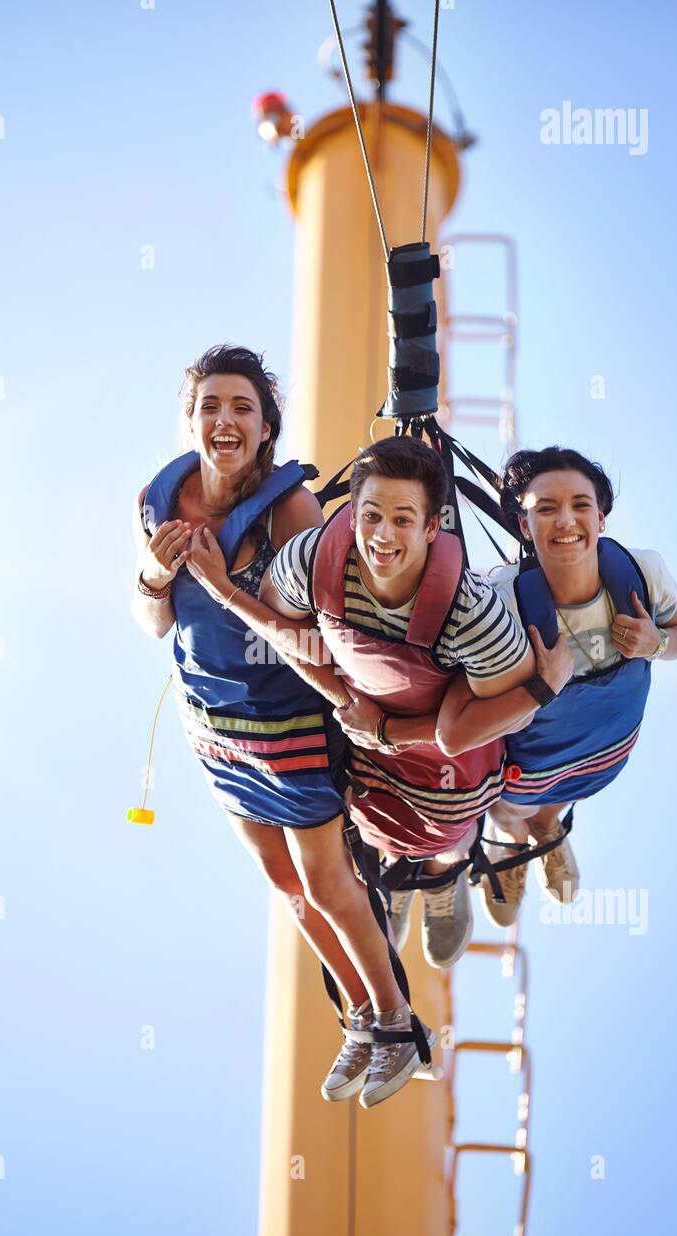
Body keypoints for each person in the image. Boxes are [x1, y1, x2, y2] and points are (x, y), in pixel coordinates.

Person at [131, 344, 440, 1108]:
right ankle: (362, 1020)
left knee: (326, 881)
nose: (225, 421)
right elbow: (151, 622)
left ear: (266, 426)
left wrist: (223, 586)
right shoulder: (157, 503)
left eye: (242, 407)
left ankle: (396, 1020)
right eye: (210, 407)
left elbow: (317, 637)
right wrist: (154, 576)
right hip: (213, 726)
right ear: (190, 421)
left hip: (286, 723)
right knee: (281, 882)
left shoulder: (286, 511)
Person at [192, 433, 574, 969]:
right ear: (350, 515)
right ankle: (396, 880)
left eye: (402, 519)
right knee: (379, 833)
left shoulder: (472, 615)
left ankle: (446, 876)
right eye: (371, 515)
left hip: (451, 770)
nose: (383, 535)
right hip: (370, 761)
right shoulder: (312, 560)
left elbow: (484, 723)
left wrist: (541, 688)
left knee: (450, 834)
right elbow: (289, 635)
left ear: (431, 525)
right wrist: (344, 702)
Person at [475, 446, 677, 925]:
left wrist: (656, 642)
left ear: (601, 517)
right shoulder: (502, 600)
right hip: (532, 754)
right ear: (523, 525)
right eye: (546, 508)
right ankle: (514, 844)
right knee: (507, 808)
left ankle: (549, 828)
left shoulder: (643, 573)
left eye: (580, 505)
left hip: (608, 745)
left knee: (555, 800)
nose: (566, 520)